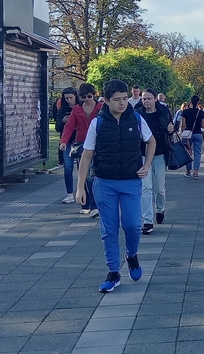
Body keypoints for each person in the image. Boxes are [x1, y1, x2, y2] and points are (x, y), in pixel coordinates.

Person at [75, 79, 155, 293]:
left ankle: (132, 256)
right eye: (117, 100)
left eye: (124, 98)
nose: (122, 103)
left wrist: (147, 165)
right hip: (104, 182)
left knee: (132, 225)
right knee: (109, 229)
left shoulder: (136, 118)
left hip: (130, 181)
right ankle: (113, 272)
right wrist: (80, 186)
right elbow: (87, 155)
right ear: (107, 100)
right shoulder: (98, 123)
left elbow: (151, 141)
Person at [61, 83, 102, 215]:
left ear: (94, 95)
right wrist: (64, 142)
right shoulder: (77, 109)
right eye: (83, 97)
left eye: (89, 96)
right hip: (82, 145)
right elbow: (69, 126)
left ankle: (94, 204)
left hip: (99, 145)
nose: (87, 99)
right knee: (84, 175)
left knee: (93, 175)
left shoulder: (101, 107)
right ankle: (85, 204)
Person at [136, 88, 173, 234]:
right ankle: (147, 220)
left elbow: (170, 128)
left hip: (159, 154)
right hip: (143, 154)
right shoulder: (138, 113)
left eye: (148, 98)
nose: (146, 101)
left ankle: (160, 208)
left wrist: (171, 129)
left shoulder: (163, 111)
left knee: (159, 188)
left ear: (155, 99)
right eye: (144, 98)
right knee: (146, 187)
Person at [53, 87, 79, 203]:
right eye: (66, 98)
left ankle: (81, 191)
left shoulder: (80, 108)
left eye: (71, 98)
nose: (69, 100)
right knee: (68, 168)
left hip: (79, 140)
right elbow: (57, 128)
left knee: (82, 167)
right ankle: (69, 193)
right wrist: (63, 121)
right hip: (67, 141)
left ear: (75, 97)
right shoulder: (62, 110)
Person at [180, 95, 204, 178]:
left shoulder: (185, 112)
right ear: (198, 102)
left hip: (188, 134)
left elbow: (183, 125)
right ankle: (196, 172)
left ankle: (188, 171)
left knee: (188, 152)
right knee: (197, 153)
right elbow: (203, 126)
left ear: (190, 102)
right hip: (198, 134)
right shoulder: (201, 113)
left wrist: (182, 132)